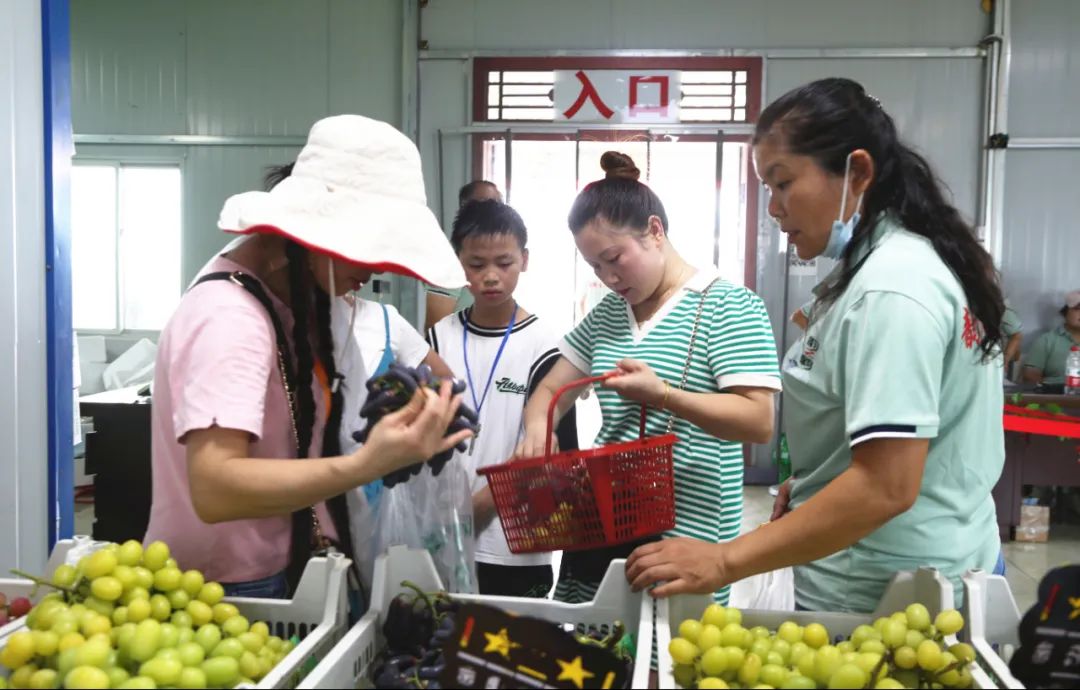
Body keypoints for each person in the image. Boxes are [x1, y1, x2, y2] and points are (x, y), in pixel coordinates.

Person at [626, 78, 1007, 612]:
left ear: (858, 173)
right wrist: (817, 481)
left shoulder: (891, 290)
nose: (774, 209)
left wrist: (723, 560)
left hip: (885, 594)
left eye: (782, 184)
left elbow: (885, 486)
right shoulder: (898, 267)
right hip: (940, 556)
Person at [145, 115, 472, 597]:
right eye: (368, 249)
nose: (375, 267)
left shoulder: (300, 306)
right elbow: (216, 487)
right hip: (229, 587)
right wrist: (368, 464)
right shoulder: (229, 317)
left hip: (287, 567)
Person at [516, 151, 782, 605]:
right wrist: (537, 428)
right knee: (595, 654)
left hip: (687, 534)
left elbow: (757, 421)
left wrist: (663, 395)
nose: (608, 276)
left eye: (614, 257)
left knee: (667, 658)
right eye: (595, 266)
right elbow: (549, 389)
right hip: (608, 523)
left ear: (655, 232)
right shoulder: (608, 314)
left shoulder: (728, 306)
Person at [427, 199, 577, 598]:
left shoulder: (546, 345)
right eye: (476, 265)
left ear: (525, 260)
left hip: (517, 544)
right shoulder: (438, 339)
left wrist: (490, 501)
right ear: (458, 263)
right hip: (446, 535)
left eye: (504, 263)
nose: (491, 276)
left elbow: (559, 456)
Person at [424, 181, 504, 331]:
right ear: (466, 209)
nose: (497, 211)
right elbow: (436, 330)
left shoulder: (505, 257)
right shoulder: (449, 259)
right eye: (489, 204)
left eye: (500, 203)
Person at [1021, 290, 1080, 385]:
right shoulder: (1047, 340)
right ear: (1065, 312)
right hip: (1057, 395)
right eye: (1077, 309)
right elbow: (1030, 374)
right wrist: (1050, 387)